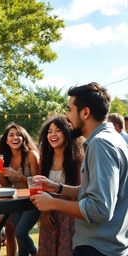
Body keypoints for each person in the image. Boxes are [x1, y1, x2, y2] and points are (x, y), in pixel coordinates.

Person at [31, 82, 128, 256]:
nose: (66, 116)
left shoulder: (100, 144)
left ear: (85, 112)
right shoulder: (111, 139)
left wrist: (52, 202)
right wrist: (57, 187)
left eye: (69, 110)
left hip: (98, 248)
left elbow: (100, 209)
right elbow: (96, 192)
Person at [37, 115, 83, 255]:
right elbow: (39, 188)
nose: (53, 134)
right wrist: (44, 213)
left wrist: (68, 219)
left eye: (58, 130)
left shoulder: (78, 158)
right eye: (50, 131)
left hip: (70, 215)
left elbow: (81, 191)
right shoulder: (45, 158)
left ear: (67, 132)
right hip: (49, 213)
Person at [0, 123, 40, 256]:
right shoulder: (5, 158)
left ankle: (36, 253)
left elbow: (38, 184)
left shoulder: (31, 155)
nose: (15, 138)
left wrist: (18, 175)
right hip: (17, 202)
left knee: (20, 233)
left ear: (24, 138)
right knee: (19, 238)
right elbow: (7, 187)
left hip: (33, 200)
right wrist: (0, 173)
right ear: (6, 140)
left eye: (18, 135)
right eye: (11, 135)